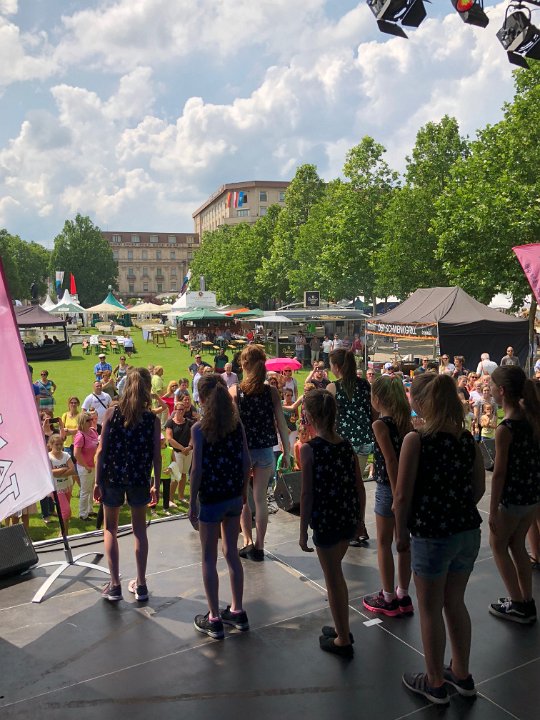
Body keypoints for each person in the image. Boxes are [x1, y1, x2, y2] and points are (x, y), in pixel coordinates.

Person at [394, 373, 485, 706]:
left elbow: (401, 496)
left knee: (430, 609)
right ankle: (461, 674)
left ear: (422, 402)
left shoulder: (416, 440)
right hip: (467, 532)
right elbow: (479, 489)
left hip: (432, 536)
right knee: (455, 602)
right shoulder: (467, 440)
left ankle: (434, 684)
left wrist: (401, 533)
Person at [299, 390, 365, 658]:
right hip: (347, 519)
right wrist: (360, 521)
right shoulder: (346, 446)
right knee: (336, 574)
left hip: (326, 523)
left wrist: (302, 531)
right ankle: (341, 627)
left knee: (334, 579)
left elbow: (306, 494)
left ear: (311, 416)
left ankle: (343, 639)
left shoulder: (309, 449)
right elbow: (359, 487)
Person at [189, 374, 251, 639]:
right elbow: (246, 461)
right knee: (231, 553)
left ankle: (213, 618)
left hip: (212, 500)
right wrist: (243, 492)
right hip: (233, 497)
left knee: (208, 558)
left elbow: (197, 470)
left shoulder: (199, 429)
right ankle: (237, 611)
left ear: (203, 399)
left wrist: (192, 501)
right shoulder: (237, 426)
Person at [94, 367, 161, 602]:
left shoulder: (112, 413)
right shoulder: (152, 419)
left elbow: (101, 450)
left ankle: (114, 585)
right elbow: (157, 456)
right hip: (139, 479)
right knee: (139, 530)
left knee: (110, 529)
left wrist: (97, 481)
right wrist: (156, 484)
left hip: (112, 478)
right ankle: (141, 584)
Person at [487, 366, 540, 624]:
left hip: (512, 500)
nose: (488, 390)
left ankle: (518, 603)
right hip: (531, 497)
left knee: (498, 545)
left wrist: (493, 509)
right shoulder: (532, 420)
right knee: (518, 544)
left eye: (491, 386)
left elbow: (499, 474)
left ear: (501, 391)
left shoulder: (505, 429)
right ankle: (527, 600)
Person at [230, 345, 290, 561]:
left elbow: (232, 426)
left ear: (244, 364)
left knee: (244, 500)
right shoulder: (271, 391)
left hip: (243, 452)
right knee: (261, 499)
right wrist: (287, 451)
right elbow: (282, 424)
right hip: (265, 451)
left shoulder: (235, 391)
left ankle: (247, 541)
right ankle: (260, 545)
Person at [362, 376, 414, 618]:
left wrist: (396, 495)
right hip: (409, 487)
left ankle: (388, 596)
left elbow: (391, 461)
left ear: (377, 399)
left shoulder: (380, 425)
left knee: (384, 542)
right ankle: (403, 594)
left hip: (388, 488)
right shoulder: (406, 423)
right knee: (404, 541)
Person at [327, 348, 373, 545]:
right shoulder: (365, 385)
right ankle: (360, 525)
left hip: (343, 444)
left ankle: (351, 528)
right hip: (364, 440)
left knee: (345, 487)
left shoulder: (333, 388)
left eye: (331, 365)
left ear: (337, 367)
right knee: (357, 485)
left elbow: (327, 418)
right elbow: (373, 412)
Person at [165, 402, 193, 505]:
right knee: (176, 476)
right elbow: (169, 438)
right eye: (179, 409)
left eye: (182, 409)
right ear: (175, 410)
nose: (180, 411)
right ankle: (170, 499)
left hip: (188, 452)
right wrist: (182, 449)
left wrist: (189, 447)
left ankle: (181, 496)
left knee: (184, 474)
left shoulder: (189, 422)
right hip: (176, 453)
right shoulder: (170, 423)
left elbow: (192, 436)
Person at [48, 434, 76, 535]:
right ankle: (63, 533)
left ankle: (65, 532)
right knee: (66, 511)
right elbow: (51, 472)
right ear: (51, 445)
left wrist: (58, 473)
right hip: (57, 489)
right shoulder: (49, 457)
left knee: (64, 512)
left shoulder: (66, 455)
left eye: (61, 444)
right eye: (56, 444)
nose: (59, 446)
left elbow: (73, 470)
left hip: (68, 486)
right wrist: (64, 469)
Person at [73, 411, 100, 520]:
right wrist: (85, 466)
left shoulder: (93, 431)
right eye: (88, 420)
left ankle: (90, 510)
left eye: (91, 419)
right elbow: (76, 454)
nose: (91, 421)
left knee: (91, 488)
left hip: (93, 465)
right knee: (85, 490)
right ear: (82, 422)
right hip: (85, 467)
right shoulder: (80, 436)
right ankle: (83, 514)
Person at [61, 396, 81, 463]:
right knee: (68, 466)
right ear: (68, 404)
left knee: (77, 465)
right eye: (71, 403)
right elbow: (61, 430)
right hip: (66, 445)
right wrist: (73, 431)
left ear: (78, 404)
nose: (73, 404)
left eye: (75, 403)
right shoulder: (65, 415)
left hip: (77, 445)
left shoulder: (80, 416)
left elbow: (79, 431)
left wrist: (67, 430)